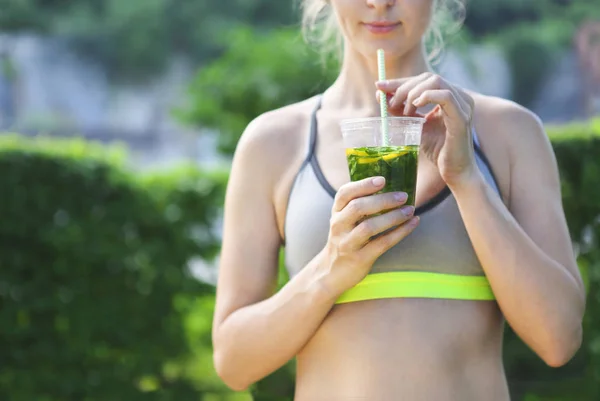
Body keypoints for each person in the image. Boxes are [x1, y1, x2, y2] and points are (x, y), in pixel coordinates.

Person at [212, 0, 586, 399]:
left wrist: (466, 179)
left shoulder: (510, 132)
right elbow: (234, 363)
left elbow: (558, 338)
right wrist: (331, 269)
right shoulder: (273, 142)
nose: (379, 3)